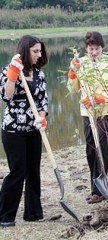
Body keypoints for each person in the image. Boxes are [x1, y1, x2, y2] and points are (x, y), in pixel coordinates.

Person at [0, 35, 49, 227]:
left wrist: (42, 118)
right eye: (35, 51)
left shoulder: (39, 74)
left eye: (40, 51)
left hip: (34, 130)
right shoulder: (8, 69)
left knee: (33, 171)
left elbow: (44, 100)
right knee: (17, 171)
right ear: (25, 50)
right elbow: (6, 95)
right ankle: (5, 216)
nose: (39, 55)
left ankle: (33, 213)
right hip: (13, 130)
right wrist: (13, 73)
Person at [67, 31, 108, 203]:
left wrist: (99, 98)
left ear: (102, 48)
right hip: (88, 113)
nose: (93, 52)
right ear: (86, 49)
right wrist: (73, 73)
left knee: (103, 150)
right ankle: (95, 189)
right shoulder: (80, 63)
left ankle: (102, 190)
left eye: (97, 49)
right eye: (90, 49)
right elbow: (73, 89)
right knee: (91, 150)